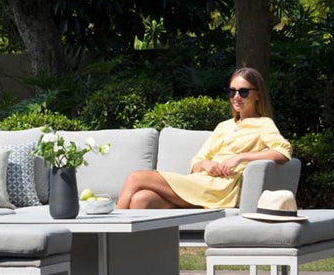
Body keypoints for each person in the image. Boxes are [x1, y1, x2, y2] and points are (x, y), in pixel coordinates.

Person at [116, 67, 292, 210]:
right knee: (142, 199)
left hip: (219, 188)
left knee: (135, 177)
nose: (236, 97)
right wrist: (207, 164)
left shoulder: (263, 123)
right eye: (232, 92)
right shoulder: (223, 126)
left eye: (244, 92)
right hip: (200, 181)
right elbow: (196, 163)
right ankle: (135, 253)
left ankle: (109, 237)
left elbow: (283, 153)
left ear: (257, 94)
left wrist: (240, 157)